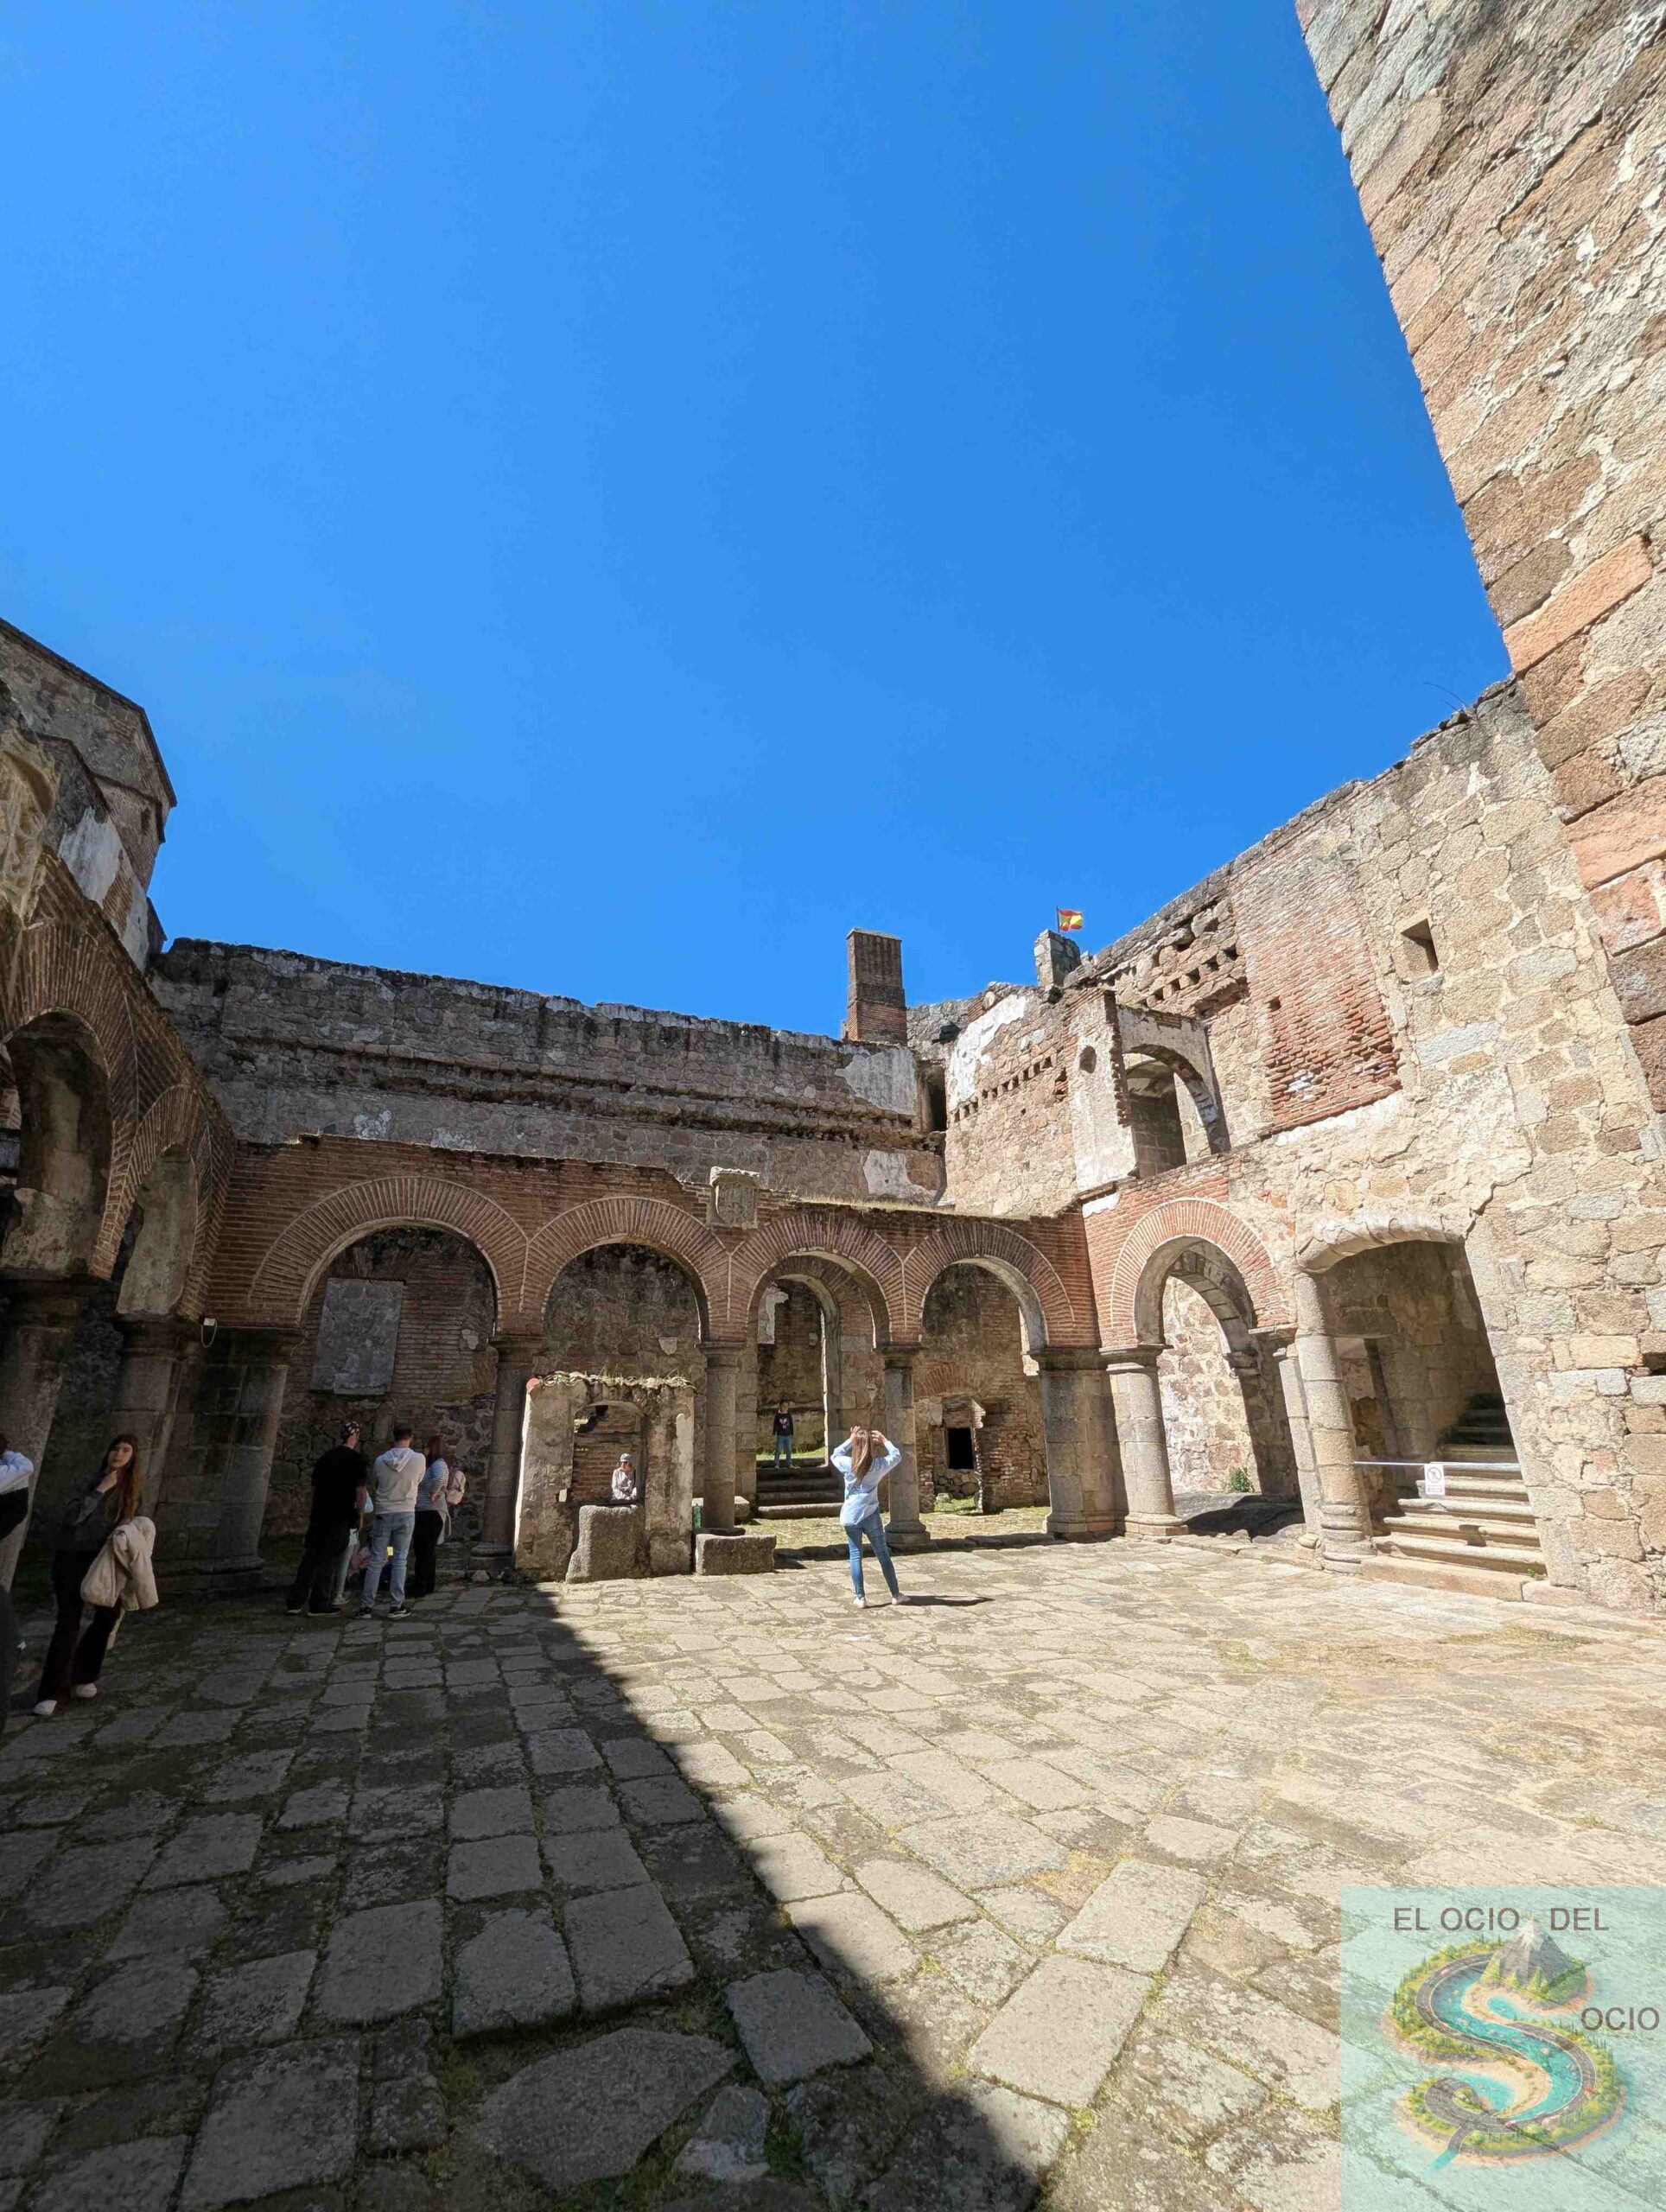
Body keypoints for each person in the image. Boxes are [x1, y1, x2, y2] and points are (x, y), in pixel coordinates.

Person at [34, 1434, 141, 1714]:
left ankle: (83, 1675)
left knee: (108, 1617)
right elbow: (71, 1518)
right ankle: (51, 1692)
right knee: (68, 1623)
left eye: (126, 1450)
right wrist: (100, 1490)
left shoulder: (132, 1490)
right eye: (115, 1448)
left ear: (133, 1457)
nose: (118, 1453)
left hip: (104, 1561)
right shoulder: (87, 1482)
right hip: (71, 1558)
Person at [286, 1422, 368, 1616]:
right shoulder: (356, 1460)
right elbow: (361, 1491)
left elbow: (312, 1489)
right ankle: (319, 1602)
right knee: (329, 1559)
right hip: (340, 1515)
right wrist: (360, 1515)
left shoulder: (325, 1458)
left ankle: (295, 1601)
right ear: (355, 1436)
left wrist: (310, 1511)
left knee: (310, 1557)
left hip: (319, 1515)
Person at [831, 1423, 910, 1611]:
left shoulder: (847, 1465)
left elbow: (835, 1454)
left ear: (857, 1446)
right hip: (870, 1513)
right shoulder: (878, 1466)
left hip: (851, 1515)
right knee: (882, 1553)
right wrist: (885, 1441)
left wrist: (850, 1441)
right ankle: (896, 1594)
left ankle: (860, 1597)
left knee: (855, 1555)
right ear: (872, 1447)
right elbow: (897, 1456)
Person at [360, 1425, 425, 1618]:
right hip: (406, 1512)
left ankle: (366, 1606)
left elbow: (377, 1482)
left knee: (376, 1559)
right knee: (400, 1559)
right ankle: (396, 1605)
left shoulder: (381, 1461)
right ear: (411, 1438)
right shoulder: (419, 1459)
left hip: (384, 1513)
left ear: (393, 1438)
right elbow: (419, 1480)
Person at [409, 1432, 449, 1600]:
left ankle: (421, 1584)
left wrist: (434, 1491)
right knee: (426, 1550)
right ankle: (427, 1582)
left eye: (425, 1446)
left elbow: (440, 1478)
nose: (423, 1449)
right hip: (425, 1512)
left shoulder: (438, 1464)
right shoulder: (429, 1465)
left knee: (424, 1549)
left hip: (430, 1513)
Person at [772, 1402, 795, 1470]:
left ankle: (789, 1463)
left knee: (789, 1450)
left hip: (788, 1435)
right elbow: (775, 1424)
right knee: (778, 1449)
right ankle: (776, 1464)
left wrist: (792, 1432)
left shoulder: (789, 1415)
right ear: (780, 1407)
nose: (785, 1407)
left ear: (788, 1407)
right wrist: (774, 1432)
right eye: (783, 1406)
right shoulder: (778, 1415)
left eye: (786, 1406)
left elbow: (791, 1424)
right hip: (780, 1435)